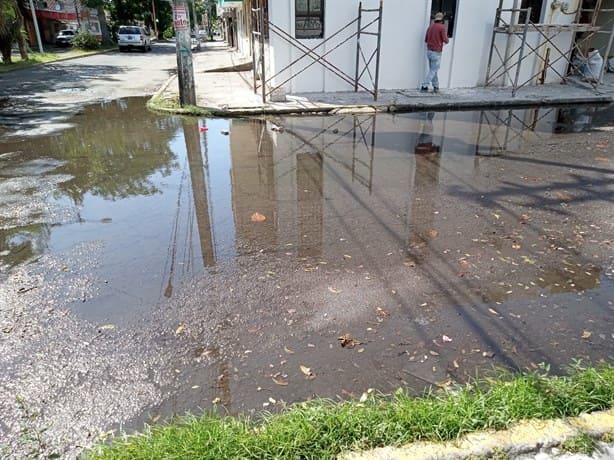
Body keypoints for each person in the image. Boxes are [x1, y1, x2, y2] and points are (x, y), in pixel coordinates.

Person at [420, 12, 449, 93]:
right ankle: (424, 86)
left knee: (433, 70)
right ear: (442, 20)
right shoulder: (442, 28)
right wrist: (446, 40)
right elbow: (445, 40)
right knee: (433, 70)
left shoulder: (430, 27)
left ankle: (436, 86)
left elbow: (426, 40)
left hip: (429, 51)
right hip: (436, 52)